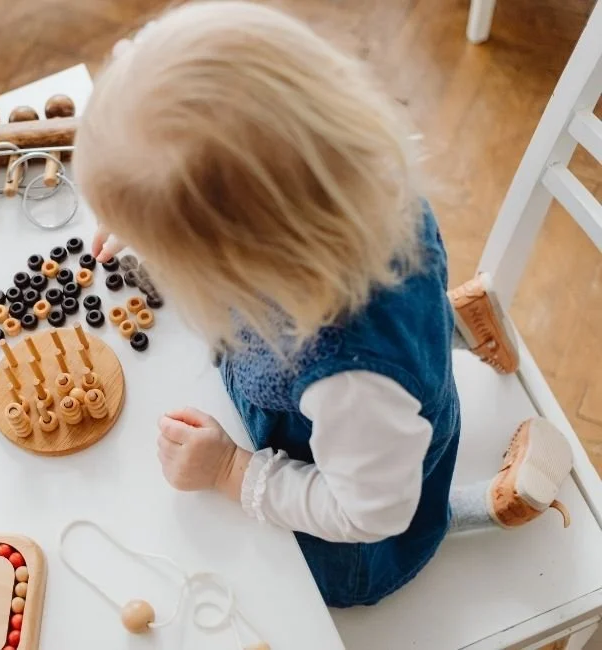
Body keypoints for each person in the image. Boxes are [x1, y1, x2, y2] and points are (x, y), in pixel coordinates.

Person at [75, 1, 574, 608]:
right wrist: (155, 214)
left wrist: (231, 472)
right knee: (398, 355)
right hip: (384, 387)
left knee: (400, 518)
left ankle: (476, 509)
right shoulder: (351, 180)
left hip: (363, 528)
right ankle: (453, 326)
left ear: (241, 259)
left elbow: (372, 512)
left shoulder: (347, 380)